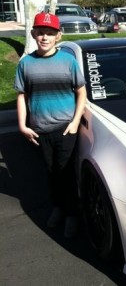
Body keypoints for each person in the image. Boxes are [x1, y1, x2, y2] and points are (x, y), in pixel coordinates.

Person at [14, 12, 87, 238]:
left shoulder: (68, 61)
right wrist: (22, 126)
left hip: (66, 128)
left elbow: (81, 92)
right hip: (39, 130)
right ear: (34, 34)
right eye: (41, 33)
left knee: (66, 173)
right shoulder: (26, 64)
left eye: (50, 33)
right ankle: (58, 208)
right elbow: (21, 96)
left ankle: (72, 215)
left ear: (58, 36)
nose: (44, 37)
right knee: (51, 172)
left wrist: (75, 122)